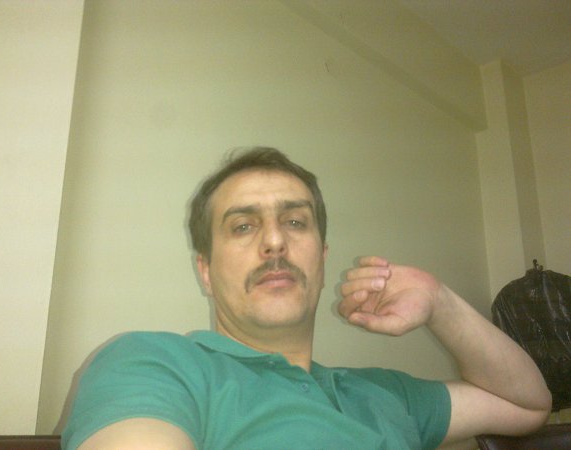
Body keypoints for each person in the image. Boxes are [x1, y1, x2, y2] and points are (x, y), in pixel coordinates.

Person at [62, 147, 551, 450]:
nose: (275, 241)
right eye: (243, 226)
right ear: (205, 272)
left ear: (322, 259)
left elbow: (528, 406)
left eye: (295, 222)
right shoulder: (153, 364)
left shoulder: (384, 394)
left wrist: (440, 302)